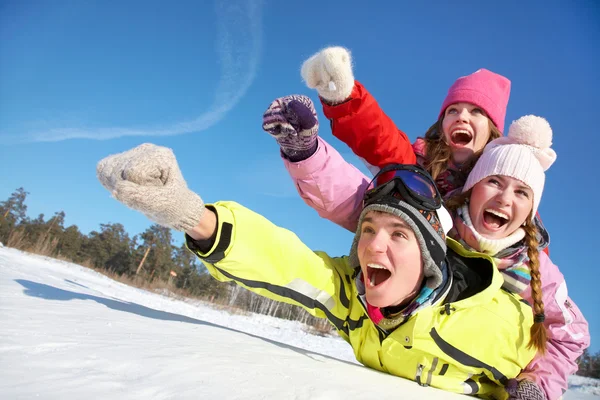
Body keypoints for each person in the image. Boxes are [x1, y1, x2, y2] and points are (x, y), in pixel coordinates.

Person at [97, 144, 536, 399]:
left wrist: (531, 387)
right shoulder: (354, 302)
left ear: (430, 258)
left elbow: (535, 363)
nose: (373, 246)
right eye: (367, 229)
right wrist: (193, 216)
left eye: (399, 235)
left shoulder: (489, 322)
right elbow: (286, 262)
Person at [263, 97, 590, 399]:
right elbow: (356, 198)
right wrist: (305, 152)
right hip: (402, 362)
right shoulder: (438, 222)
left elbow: (570, 334)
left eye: (522, 193)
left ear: (531, 212)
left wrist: (536, 384)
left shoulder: (534, 269)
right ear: (472, 188)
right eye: (494, 182)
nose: (505, 198)